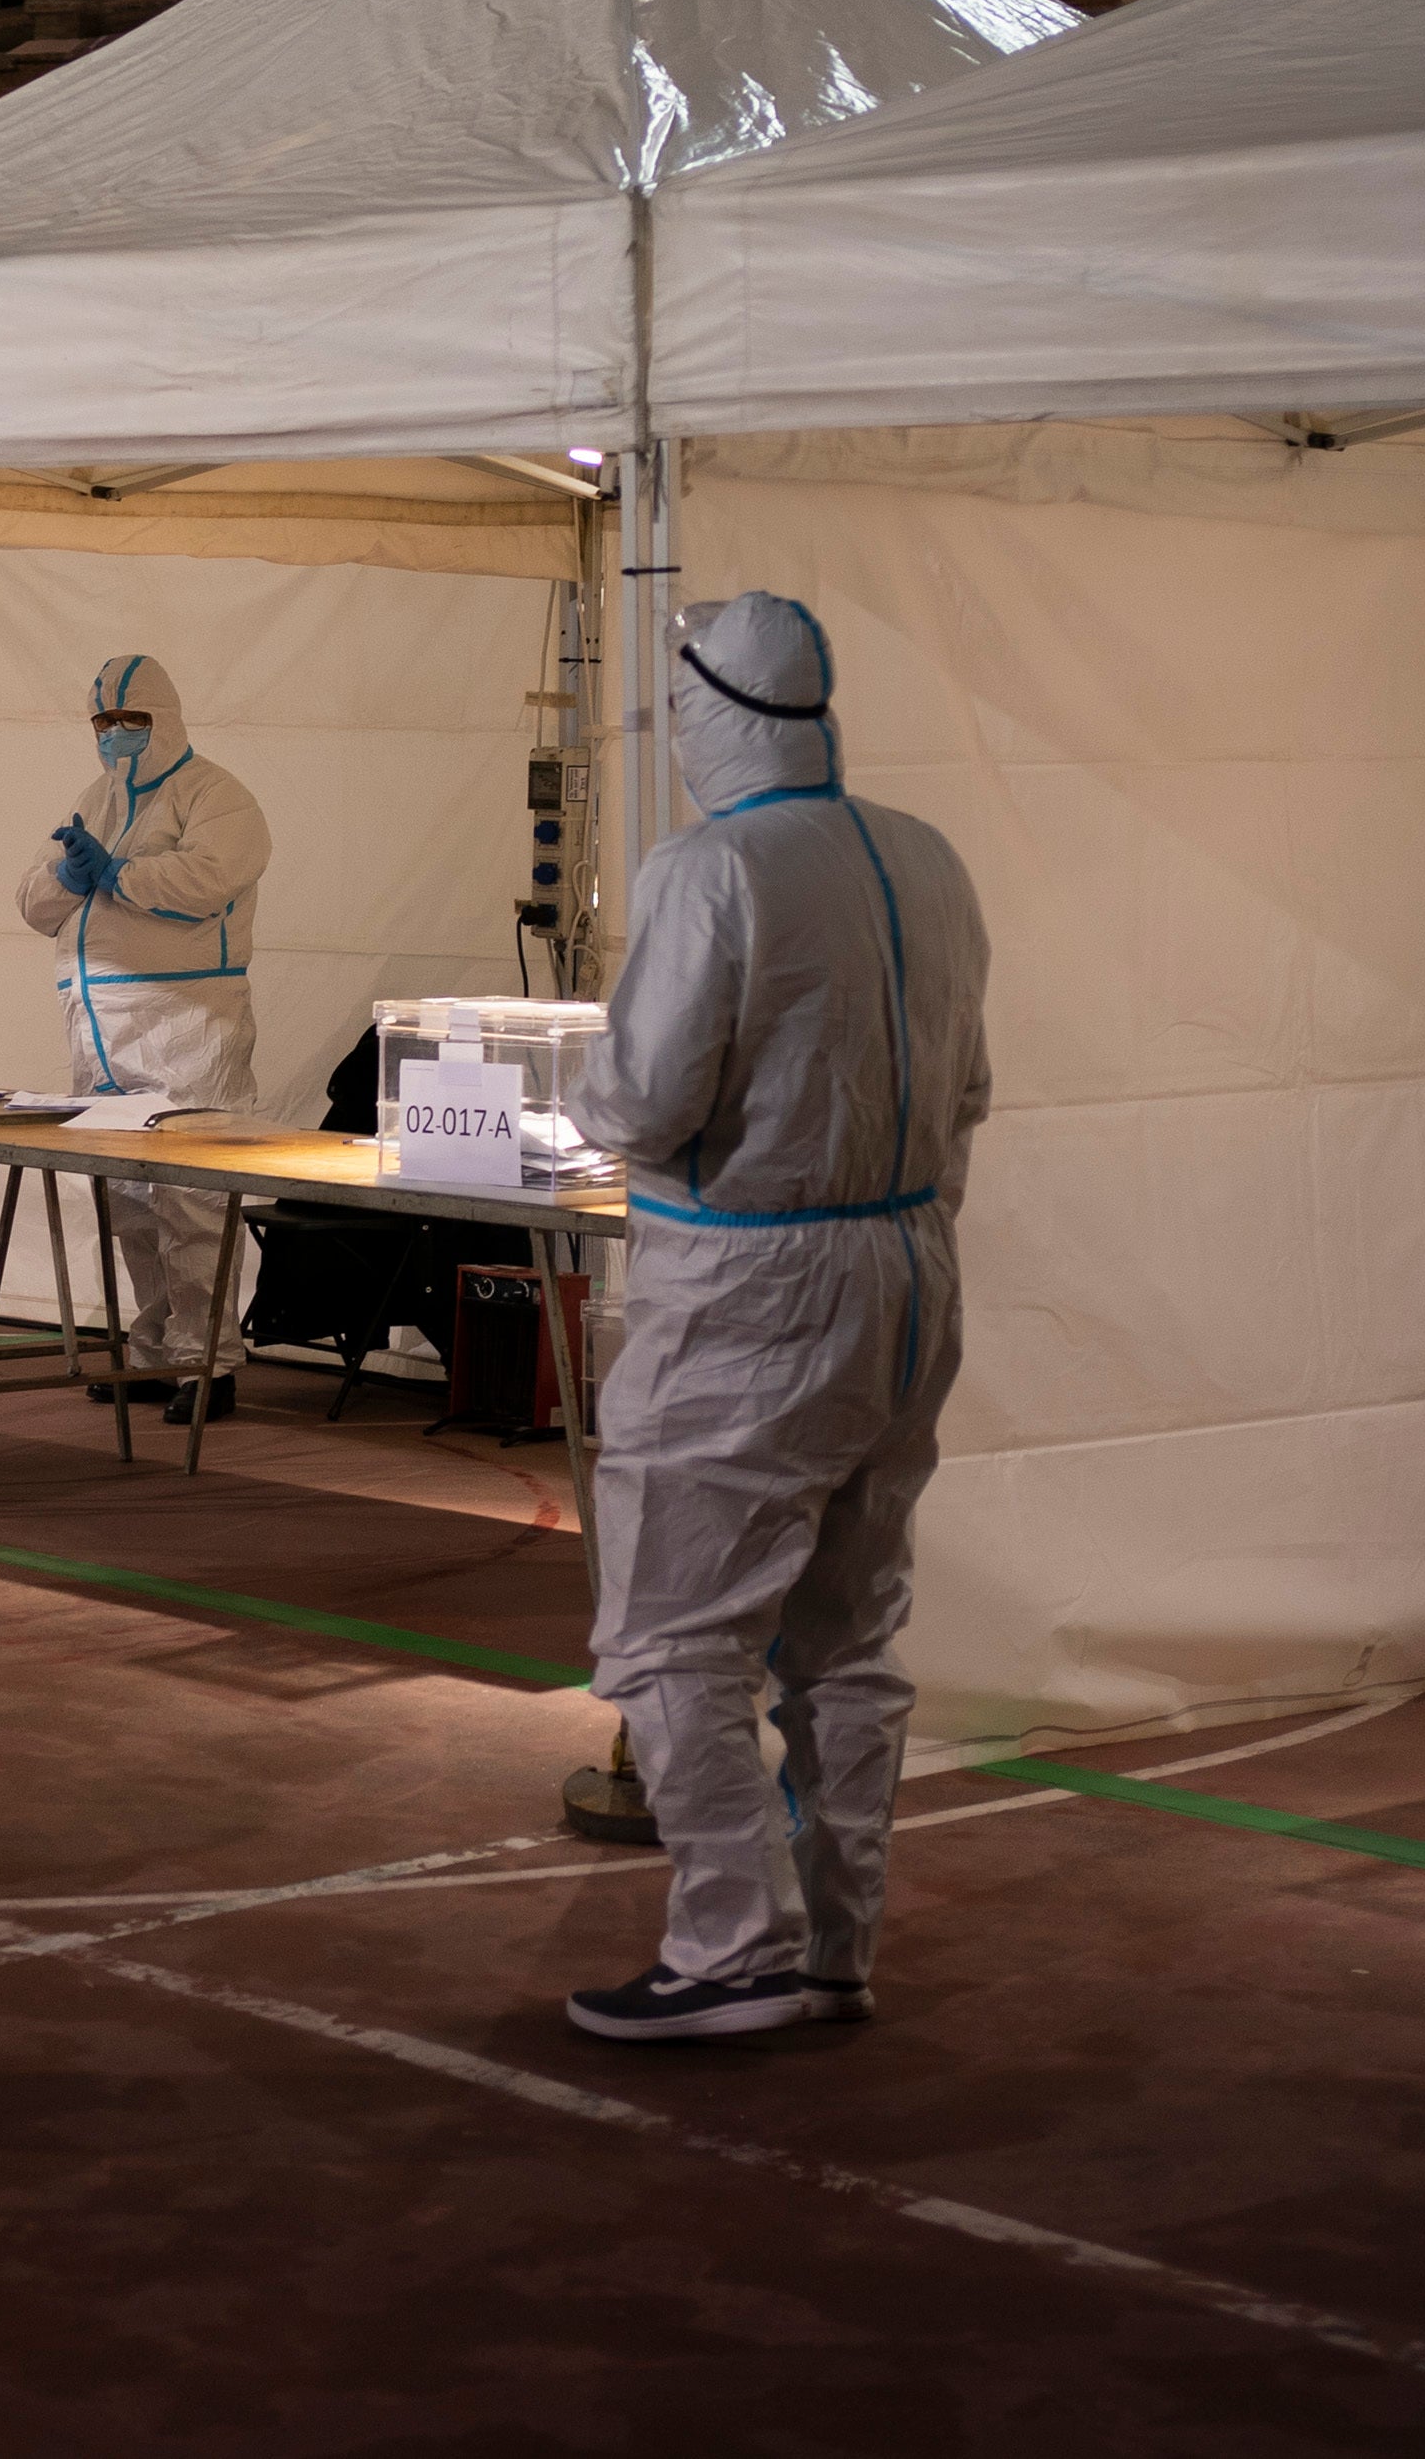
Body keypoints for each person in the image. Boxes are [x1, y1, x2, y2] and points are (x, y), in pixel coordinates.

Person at [566, 591, 991, 2046]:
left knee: (672, 1630)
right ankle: (834, 1940)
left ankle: (735, 1942)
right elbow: (970, 1084)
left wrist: (584, 1100)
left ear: (698, 709)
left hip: (749, 1289)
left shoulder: (711, 869)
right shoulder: (926, 857)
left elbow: (645, 1096)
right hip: (908, 1271)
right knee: (850, 1633)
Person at [11, 652, 272, 1424]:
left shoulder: (216, 796)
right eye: (102, 721)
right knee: (128, 1202)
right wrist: (72, 873)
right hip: (101, 1034)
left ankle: (211, 1361)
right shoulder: (96, 799)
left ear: (165, 716)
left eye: (132, 719)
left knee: (191, 1201)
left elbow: (209, 879)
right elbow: (32, 902)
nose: (116, 734)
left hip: (186, 1027)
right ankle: (157, 1352)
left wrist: (118, 873)